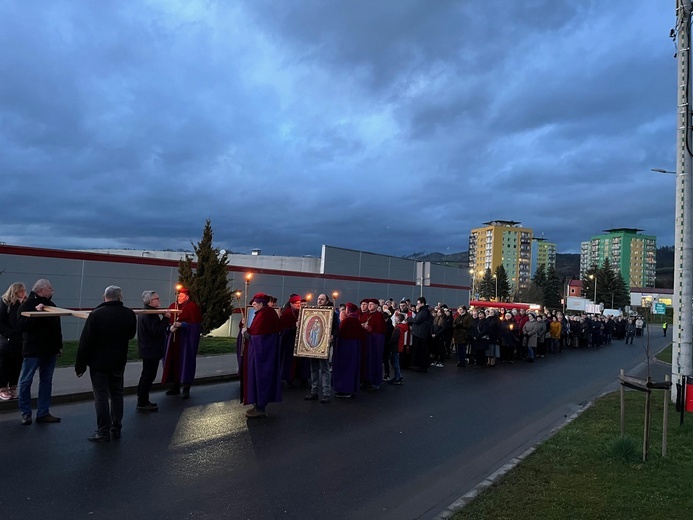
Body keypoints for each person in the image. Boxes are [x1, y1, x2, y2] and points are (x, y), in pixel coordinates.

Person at [75, 286, 137, 442]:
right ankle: (116, 427)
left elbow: (85, 342)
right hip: (118, 361)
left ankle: (103, 430)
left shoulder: (96, 315)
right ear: (120, 297)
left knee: (101, 396)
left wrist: (80, 365)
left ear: (104, 297)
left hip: (98, 363)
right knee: (117, 393)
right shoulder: (129, 314)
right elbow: (130, 335)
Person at [16, 279, 63, 425]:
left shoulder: (52, 306)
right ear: (41, 290)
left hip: (49, 350)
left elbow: (56, 328)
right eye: (50, 288)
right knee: (25, 381)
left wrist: (58, 346)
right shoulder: (27, 305)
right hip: (33, 350)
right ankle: (26, 413)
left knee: (46, 382)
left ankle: (43, 412)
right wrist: (37, 313)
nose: (52, 291)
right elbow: (22, 326)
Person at [240, 293, 282, 418]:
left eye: (255, 303)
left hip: (262, 356)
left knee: (260, 379)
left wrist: (245, 333)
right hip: (263, 354)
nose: (253, 304)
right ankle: (258, 405)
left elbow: (257, 338)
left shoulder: (265, 314)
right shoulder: (265, 313)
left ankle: (260, 407)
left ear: (261, 304)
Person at [162, 287, 202, 399]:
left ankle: (186, 388)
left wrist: (182, 325)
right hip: (174, 342)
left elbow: (195, 325)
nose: (179, 297)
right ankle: (175, 386)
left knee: (186, 363)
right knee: (173, 362)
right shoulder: (172, 307)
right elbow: (166, 322)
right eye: (178, 296)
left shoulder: (192, 307)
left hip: (186, 342)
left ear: (187, 297)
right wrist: (170, 328)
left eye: (181, 296)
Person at [136, 290, 170, 412]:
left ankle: (141, 397)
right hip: (151, 350)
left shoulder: (146, 312)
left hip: (148, 349)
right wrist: (166, 319)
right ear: (151, 301)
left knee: (146, 374)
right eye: (157, 298)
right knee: (148, 376)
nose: (159, 300)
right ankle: (143, 401)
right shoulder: (149, 314)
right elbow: (156, 331)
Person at [305, 294, 337, 403]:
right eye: (318, 299)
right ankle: (314, 391)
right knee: (313, 368)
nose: (319, 301)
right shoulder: (313, 311)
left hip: (324, 344)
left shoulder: (331, 313)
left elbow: (336, 328)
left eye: (322, 299)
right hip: (313, 345)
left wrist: (333, 336)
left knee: (325, 369)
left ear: (327, 300)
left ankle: (326, 393)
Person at [333, 303, 366, 398]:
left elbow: (340, 333)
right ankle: (350, 389)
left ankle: (344, 390)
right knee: (352, 368)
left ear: (347, 309)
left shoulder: (347, 321)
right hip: (354, 348)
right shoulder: (356, 320)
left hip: (345, 348)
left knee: (344, 368)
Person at [0, 282, 26, 400]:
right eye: (21, 291)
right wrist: (9, 334)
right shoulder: (5, 303)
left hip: (19, 340)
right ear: (15, 292)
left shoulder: (23, 304)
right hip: (7, 340)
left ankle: (13, 386)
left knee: (17, 364)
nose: (23, 293)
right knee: (4, 364)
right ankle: (3, 387)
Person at [407, 297, 432, 373]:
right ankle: (419, 365)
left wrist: (409, 318)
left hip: (420, 333)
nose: (417, 305)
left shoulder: (424, 311)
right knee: (419, 350)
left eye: (418, 303)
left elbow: (417, 320)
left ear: (422, 303)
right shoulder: (423, 311)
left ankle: (422, 366)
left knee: (421, 351)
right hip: (419, 333)